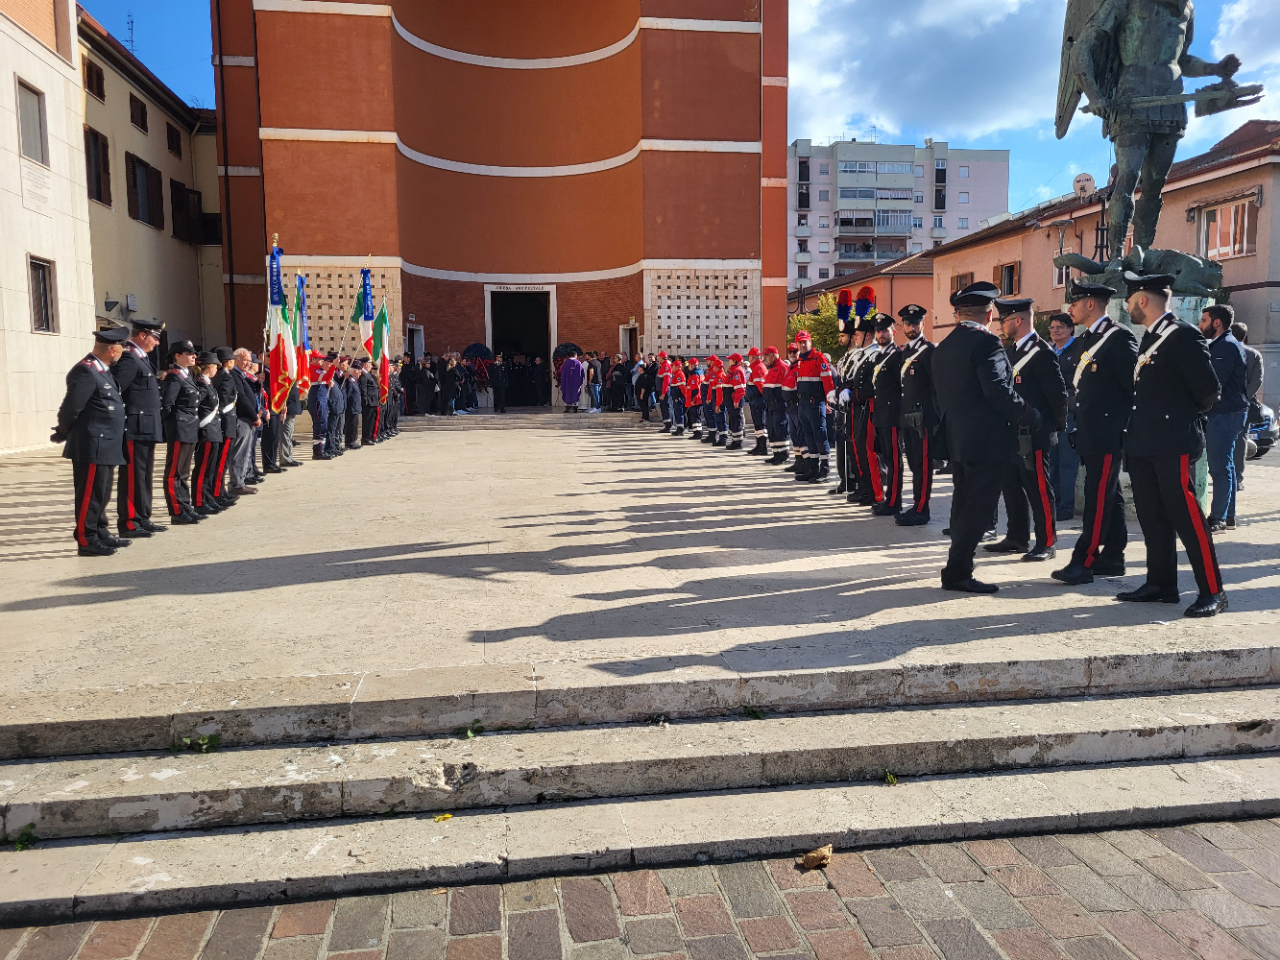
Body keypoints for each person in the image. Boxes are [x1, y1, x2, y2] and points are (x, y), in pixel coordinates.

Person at [1119, 271, 1226, 617]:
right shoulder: (1152, 336)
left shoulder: (1183, 336)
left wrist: (1180, 418)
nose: (1128, 307)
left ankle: (1212, 590)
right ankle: (1161, 584)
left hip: (1172, 441)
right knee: (1152, 517)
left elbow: (1209, 391)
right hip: (1144, 442)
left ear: (1143, 301)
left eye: (1130, 301)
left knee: (1188, 518)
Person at [933, 281, 1031, 594]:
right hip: (987, 439)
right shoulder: (987, 344)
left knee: (963, 505)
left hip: (958, 438)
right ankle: (958, 571)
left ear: (958, 314)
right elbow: (997, 390)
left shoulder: (945, 345)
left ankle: (956, 567)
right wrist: (1028, 414)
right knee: (978, 509)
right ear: (988, 314)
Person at [1053, 281, 1138, 586]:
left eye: (1074, 303)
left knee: (1097, 496)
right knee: (1109, 494)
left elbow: (1133, 387)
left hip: (1108, 431)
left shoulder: (1118, 338)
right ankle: (1113, 556)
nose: (1069, 309)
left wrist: (1123, 426)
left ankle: (1083, 560)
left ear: (1091, 304)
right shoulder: (1086, 339)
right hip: (1088, 430)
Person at [985, 298, 1068, 562]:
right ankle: (1017, 536)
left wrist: (1053, 428)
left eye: (1004, 320)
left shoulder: (1041, 352)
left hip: (1034, 434)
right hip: (1011, 433)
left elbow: (1057, 395)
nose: (1001, 325)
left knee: (1039, 488)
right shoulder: (1012, 351)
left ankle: (1046, 542)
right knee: (1011, 486)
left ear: (1018, 320)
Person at [53, 324, 130, 556]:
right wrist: (64, 430)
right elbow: (71, 407)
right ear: (112, 351)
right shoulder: (86, 371)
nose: (121, 353)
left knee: (103, 491)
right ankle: (86, 538)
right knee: (90, 493)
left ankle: (99, 530)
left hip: (107, 444)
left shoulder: (102, 370)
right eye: (120, 349)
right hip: (92, 443)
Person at [112, 318, 166, 539]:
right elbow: (115, 391)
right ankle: (129, 522)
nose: (156, 343)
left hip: (147, 426)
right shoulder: (129, 358)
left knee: (144, 475)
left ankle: (142, 516)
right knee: (133, 476)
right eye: (154, 338)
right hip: (135, 426)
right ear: (142, 335)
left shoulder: (141, 359)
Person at [1200, 304, 1248, 533]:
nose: (1201, 325)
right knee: (1225, 465)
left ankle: (1217, 518)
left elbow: (1213, 383)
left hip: (1225, 413)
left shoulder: (1225, 347)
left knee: (1220, 468)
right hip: (1227, 412)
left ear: (1216, 322)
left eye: (1204, 320)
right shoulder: (1222, 345)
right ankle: (1228, 516)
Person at [896, 304, 937, 525]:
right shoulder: (906, 351)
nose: (912, 327)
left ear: (923, 324)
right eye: (908, 323)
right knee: (913, 462)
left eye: (916, 323)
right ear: (902, 325)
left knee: (922, 465)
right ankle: (916, 504)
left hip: (923, 417)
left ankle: (922, 509)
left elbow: (936, 386)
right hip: (907, 415)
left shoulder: (928, 351)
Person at [1047, 312, 1084, 521]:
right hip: (1052, 413)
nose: (1055, 331)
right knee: (1052, 460)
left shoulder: (1079, 349)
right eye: (1052, 327)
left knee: (1067, 461)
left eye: (1060, 327)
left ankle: (1066, 506)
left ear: (1070, 329)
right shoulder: (1049, 350)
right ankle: (1054, 502)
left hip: (1070, 411)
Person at [869, 314, 903, 511]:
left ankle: (894, 501)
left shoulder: (897, 356)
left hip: (892, 413)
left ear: (893, 332)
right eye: (879, 331)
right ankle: (889, 498)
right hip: (881, 414)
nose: (882, 334)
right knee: (887, 459)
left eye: (885, 330)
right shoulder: (880, 356)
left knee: (894, 461)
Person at [792, 332, 834, 482]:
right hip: (803, 404)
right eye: (800, 343)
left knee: (819, 436)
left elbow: (828, 383)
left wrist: (829, 403)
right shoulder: (800, 360)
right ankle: (813, 467)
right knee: (808, 436)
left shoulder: (819, 358)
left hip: (815, 404)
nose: (802, 345)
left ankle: (824, 469)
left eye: (805, 342)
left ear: (810, 342)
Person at [847, 316, 880, 505]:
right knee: (856, 449)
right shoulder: (861, 355)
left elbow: (873, 385)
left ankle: (874, 492)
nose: (854, 338)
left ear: (867, 335)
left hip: (868, 406)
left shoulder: (875, 355)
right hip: (857, 407)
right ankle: (864, 487)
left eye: (857, 334)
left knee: (867, 451)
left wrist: (854, 395)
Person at [191, 352, 226, 516]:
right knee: (202, 469)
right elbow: (196, 408)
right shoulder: (200, 385)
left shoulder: (208, 384)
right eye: (216, 367)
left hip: (214, 431)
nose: (217, 370)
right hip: (206, 431)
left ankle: (208, 498)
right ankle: (199, 501)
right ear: (210, 367)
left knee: (210, 469)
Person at [1232, 321, 1264, 498]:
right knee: (1240, 441)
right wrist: (1244, 397)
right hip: (1243, 405)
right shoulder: (1254, 354)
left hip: (1221, 404)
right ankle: (1237, 478)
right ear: (1245, 337)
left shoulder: (1221, 350)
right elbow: (1257, 380)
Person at [211, 348, 240, 503]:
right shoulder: (225, 377)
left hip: (222, 420)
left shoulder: (218, 376)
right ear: (228, 362)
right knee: (221, 462)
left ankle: (219, 491)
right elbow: (225, 400)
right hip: (226, 421)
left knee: (220, 461)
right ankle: (218, 494)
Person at [761, 346, 791, 464]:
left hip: (779, 405)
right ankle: (776, 453)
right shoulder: (771, 368)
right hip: (770, 405)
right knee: (772, 430)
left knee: (780, 429)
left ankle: (783, 455)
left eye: (766, 356)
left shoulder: (783, 367)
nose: (764, 359)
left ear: (773, 356)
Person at [745, 347, 769, 456]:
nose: (748, 358)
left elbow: (761, 386)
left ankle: (762, 447)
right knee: (758, 425)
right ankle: (759, 446)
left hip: (758, 401)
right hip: (756, 401)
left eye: (749, 356)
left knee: (760, 424)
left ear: (753, 357)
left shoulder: (758, 368)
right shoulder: (757, 367)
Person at [723, 353, 747, 450]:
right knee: (733, 420)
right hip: (731, 400)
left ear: (734, 361)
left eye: (730, 360)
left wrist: (736, 400)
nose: (729, 361)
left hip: (734, 401)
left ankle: (737, 442)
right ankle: (735, 440)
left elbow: (740, 388)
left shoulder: (737, 371)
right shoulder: (733, 371)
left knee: (736, 420)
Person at [345, 358, 364, 441]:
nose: (360, 373)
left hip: (355, 408)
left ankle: (354, 440)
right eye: (359, 371)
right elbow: (348, 395)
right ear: (354, 371)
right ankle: (350, 441)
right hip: (351, 407)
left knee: (355, 425)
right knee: (351, 426)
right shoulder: (350, 381)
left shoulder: (354, 380)